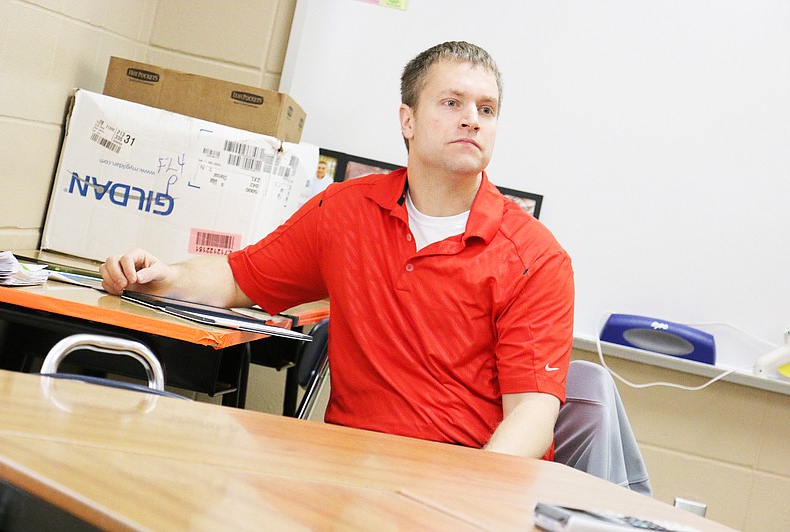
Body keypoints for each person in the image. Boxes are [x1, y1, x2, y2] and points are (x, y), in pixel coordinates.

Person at [100, 41, 574, 460]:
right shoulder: (345, 210)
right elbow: (240, 279)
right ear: (407, 120)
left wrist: (468, 501)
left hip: (463, 479)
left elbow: (532, 415)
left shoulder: (535, 257)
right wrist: (165, 276)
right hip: (349, 469)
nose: (472, 119)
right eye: (452, 102)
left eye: (486, 109)